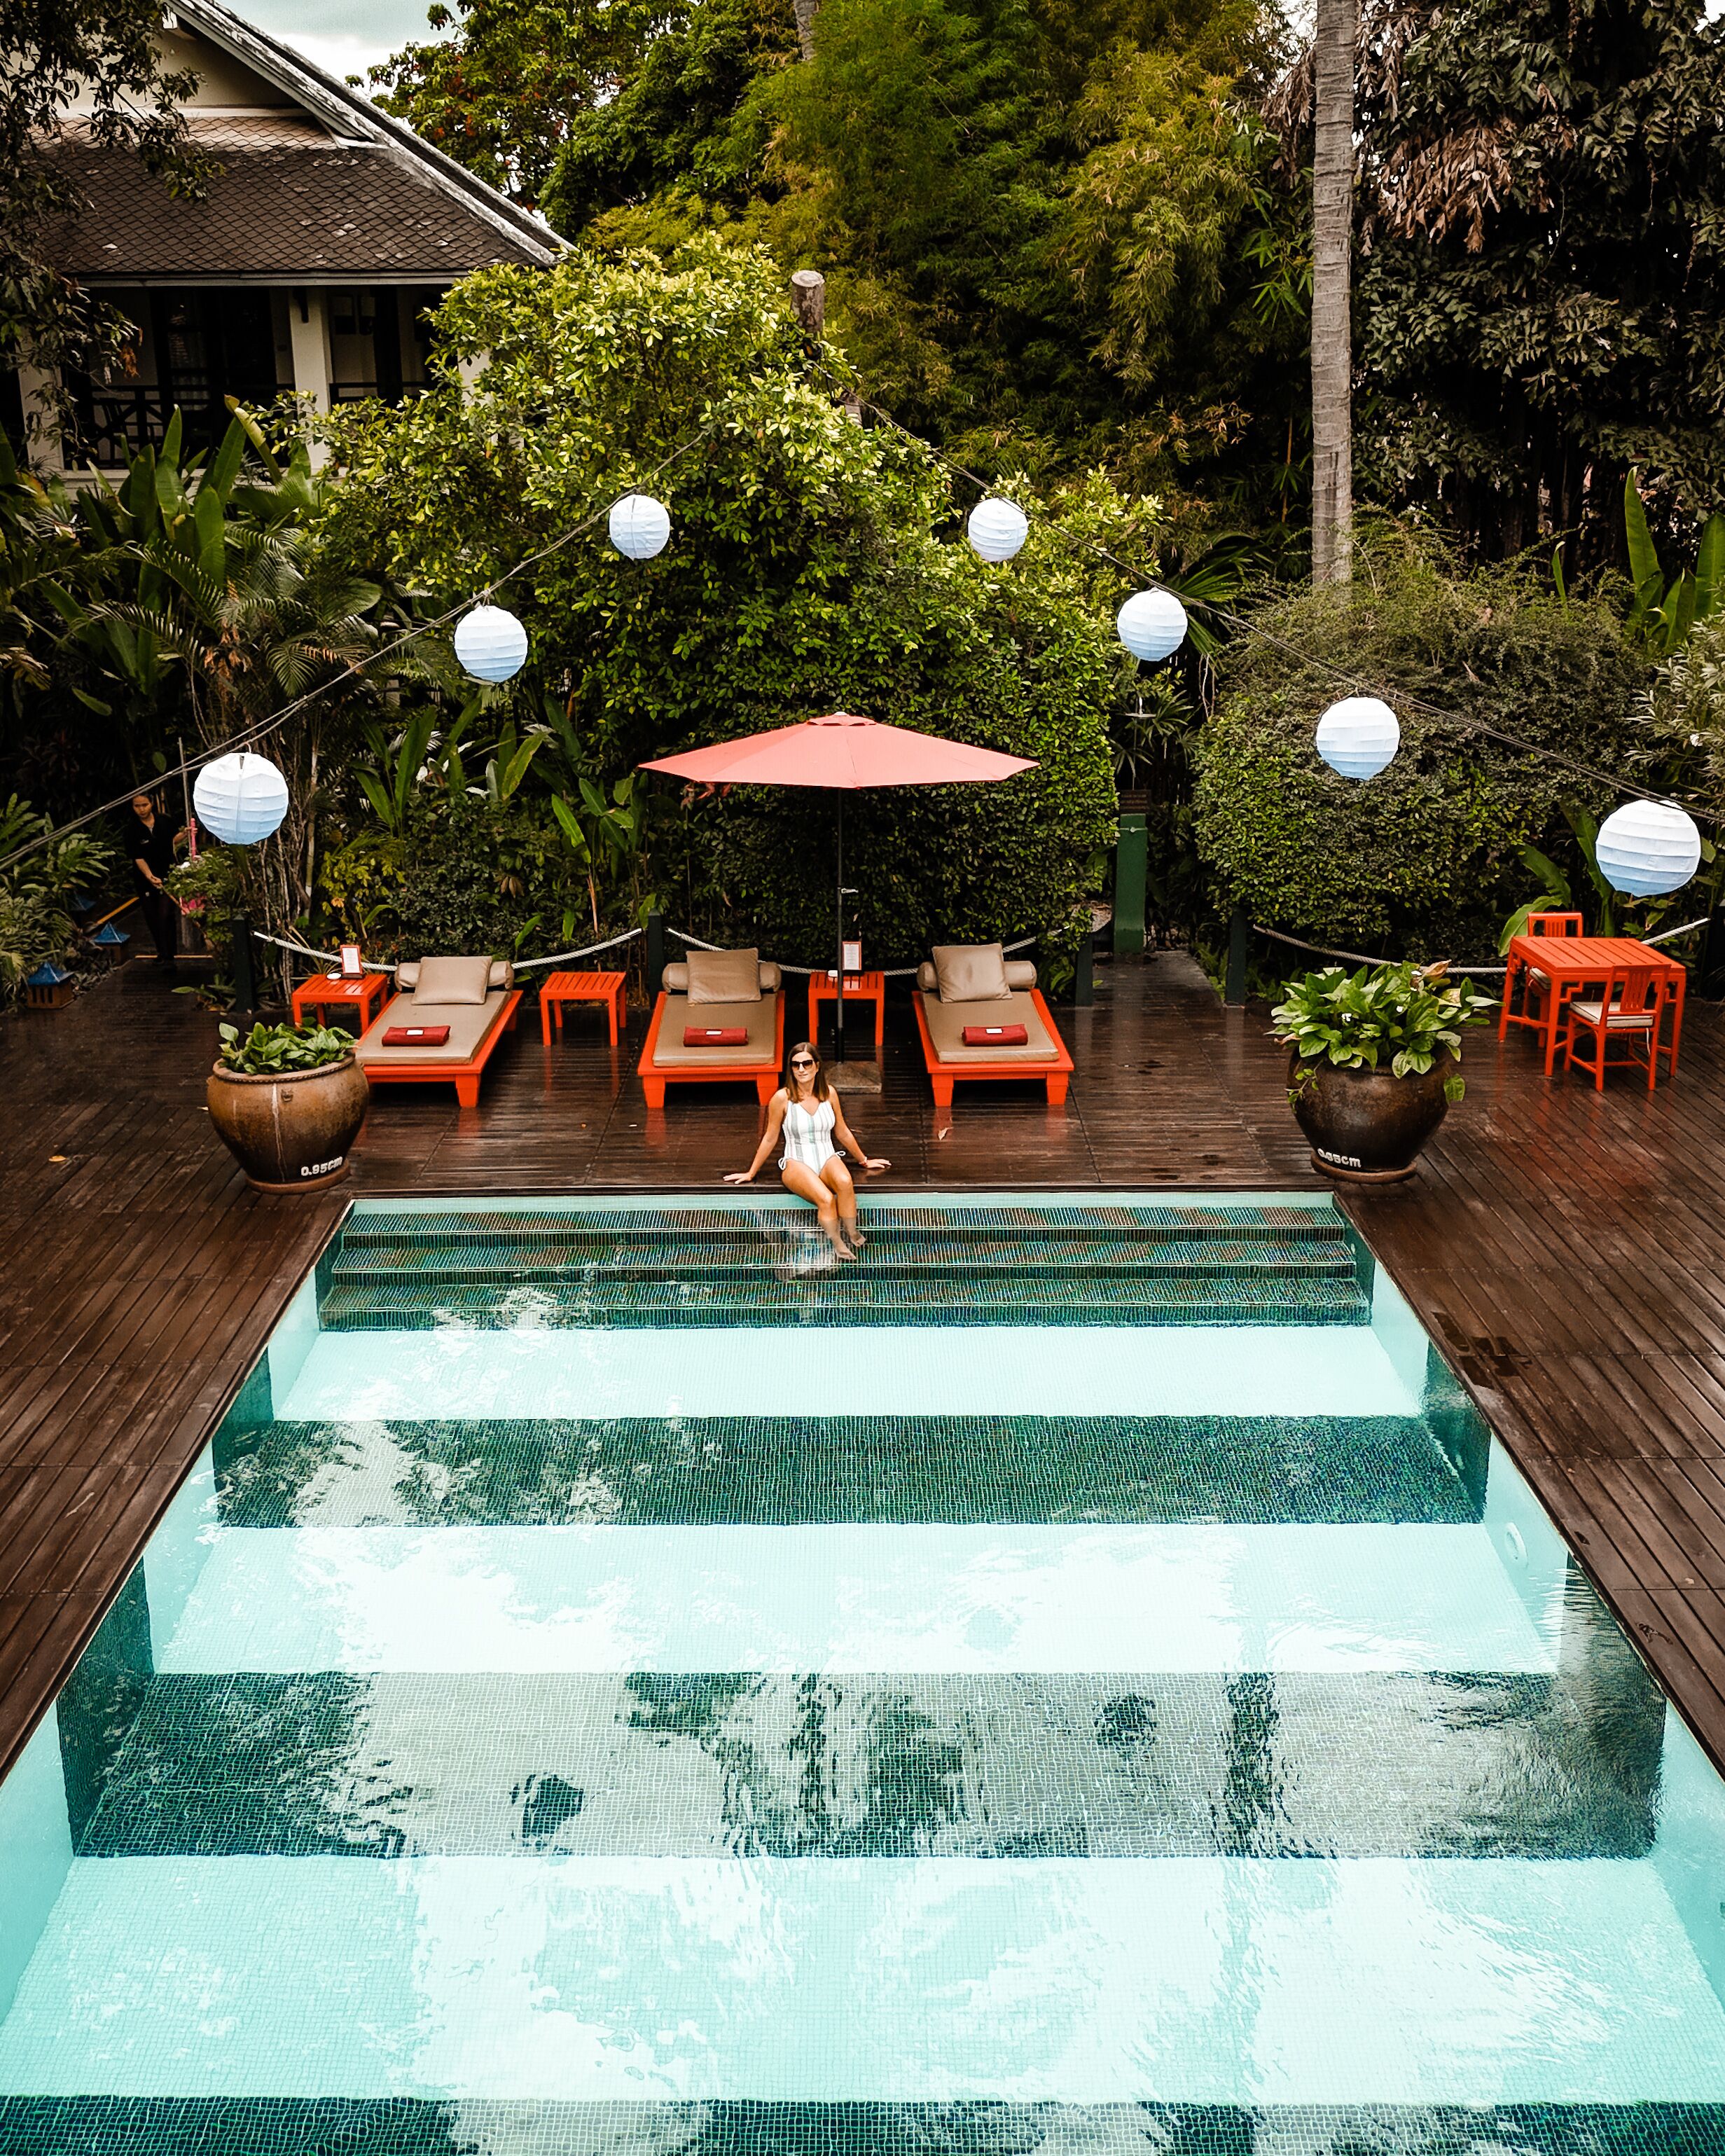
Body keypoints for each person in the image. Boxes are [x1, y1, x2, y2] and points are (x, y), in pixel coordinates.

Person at [724, 1039, 889, 1258]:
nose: (801, 1069)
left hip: (827, 1156)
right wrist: (751, 1172)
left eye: (806, 1063)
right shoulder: (782, 1098)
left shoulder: (829, 1094)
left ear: (817, 1066)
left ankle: (852, 1231)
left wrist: (864, 1160)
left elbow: (842, 1131)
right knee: (827, 1199)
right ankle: (838, 1243)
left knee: (845, 1182)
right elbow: (770, 1138)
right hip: (797, 1161)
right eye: (795, 1064)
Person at [123, 791, 182, 967]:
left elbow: (173, 840)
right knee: (152, 916)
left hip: (169, 874)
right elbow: (137, 857)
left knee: (166, 914)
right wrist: (149, 876)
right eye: (137, 806)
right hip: (145, 879)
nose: (141, 809)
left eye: (144, 805)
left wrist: (185, 834)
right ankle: (162, 951)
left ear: (152, 803)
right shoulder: (131, 830)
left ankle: (169, 955)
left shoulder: (165, 821)